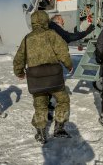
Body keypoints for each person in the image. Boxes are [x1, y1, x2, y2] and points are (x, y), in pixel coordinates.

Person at [13, 10, 73, 144]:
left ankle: (41, 133)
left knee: (40, 105)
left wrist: (20, 73)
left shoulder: (27, 39)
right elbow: (63, 51)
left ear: (33, 22)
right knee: (63, 100)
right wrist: (68, 65)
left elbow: (19, 59)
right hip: (54, 77)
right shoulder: (52, 34)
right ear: (46, 21)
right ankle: (59, 128)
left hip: (36, 79)